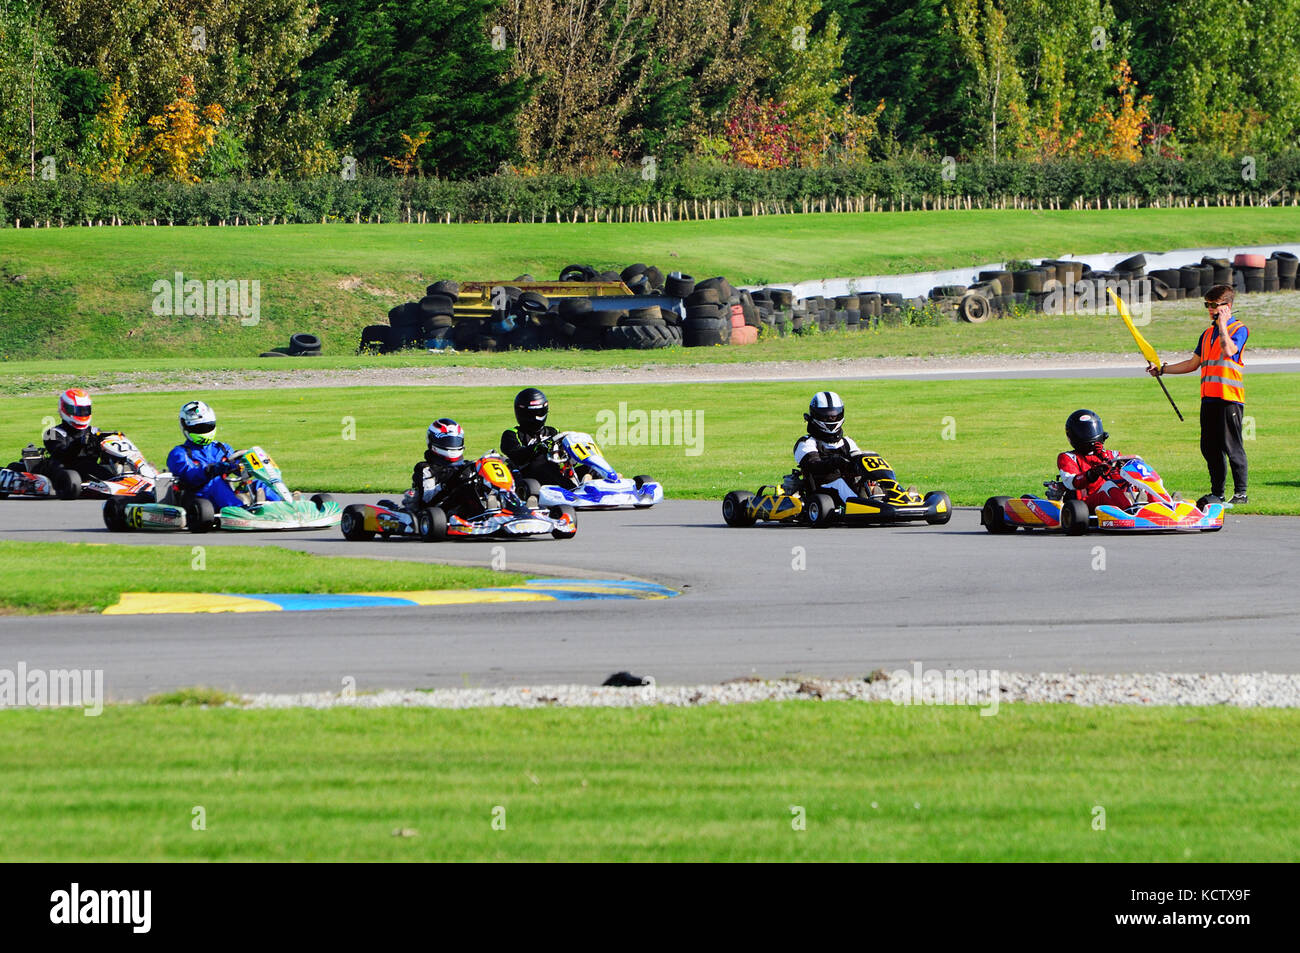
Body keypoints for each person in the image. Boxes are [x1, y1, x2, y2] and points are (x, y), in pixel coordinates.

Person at [1147, 284, 1248, 504]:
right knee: (1209, 448)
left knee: (1232, 447)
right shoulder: (1206, 334)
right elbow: (1193, 364)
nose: (1210, 310)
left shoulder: (1238, 329)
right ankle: (1218, 493)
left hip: (1229, 398)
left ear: (1227, 307)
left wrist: (1222, 325)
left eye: (1215, 306)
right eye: (1208, 305)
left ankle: (1241, 493)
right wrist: (1163, 370)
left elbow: (1229, 350)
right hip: (1209, 399)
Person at [166, 400, 282, 510]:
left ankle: (284, 507)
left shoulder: (222, 448)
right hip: (198, 498)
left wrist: (242, 465)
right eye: (198, 428)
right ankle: (241, 511)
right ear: (185, 427)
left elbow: (236, 466)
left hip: (224, 494)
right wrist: (213, 469)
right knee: (215, 482)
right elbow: (190, 476)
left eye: (207, 426)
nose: (204, 431)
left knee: (259, 484)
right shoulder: (179, 453)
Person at [1057, 409, 1132, 510]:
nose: (1091, 434)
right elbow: (1071, 482)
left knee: (1141, 482)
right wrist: (1091, 474)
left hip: (1117, 496)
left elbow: (1121, 480)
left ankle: (1159, 504)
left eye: (1092, 430)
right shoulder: (1068, 457)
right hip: (1086, 503)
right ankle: (1130, 511)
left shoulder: (1114, 455)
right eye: (1084, 431)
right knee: (1109, 486)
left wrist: (1124, 467)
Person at [793, 391, 866, 495]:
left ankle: (892, 501)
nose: (831, 418)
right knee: (840, 484)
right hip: (822, 492)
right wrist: (835, 462)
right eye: (826, 415)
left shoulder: (847, 442)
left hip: (850, 487)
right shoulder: (806, 442)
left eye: (834, 415)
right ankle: (860, 508)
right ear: (815, 415)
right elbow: (814, 466)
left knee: (873, 483)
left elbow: (859, 460)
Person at [39, 388, 117, 481]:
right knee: (85, 466)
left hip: (88, 471)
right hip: (65, 474)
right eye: (78, 411)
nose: (82, 414)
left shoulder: (94, 431)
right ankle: (113, 480)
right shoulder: (52, 433)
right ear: (64, 409)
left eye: (85, 410)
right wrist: (81, 443)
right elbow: (60, 455)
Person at [408, 418, 479, 514]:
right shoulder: (426, 469)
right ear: (432, 441)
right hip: (439, 513)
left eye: (456, 441)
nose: (452, 445)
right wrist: (450, 484)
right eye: (447, 441)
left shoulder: (466, 467)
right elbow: (427, 500)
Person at [500, 387, 566, 484]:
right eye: (532, 413)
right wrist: (539, 447)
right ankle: (571, 489)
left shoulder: (553, 432)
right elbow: (517, 455)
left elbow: (563, 454)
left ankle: (590, 492)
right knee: (541, 461)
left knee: (592, 467)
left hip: (557, 475)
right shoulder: (512, 434)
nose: (536, 417)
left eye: (540, 412)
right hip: (530, 478)